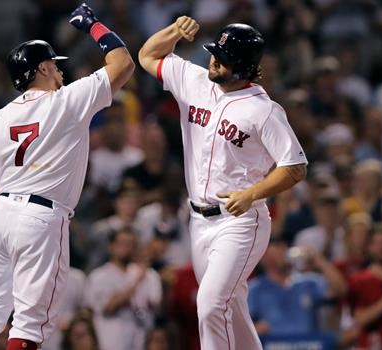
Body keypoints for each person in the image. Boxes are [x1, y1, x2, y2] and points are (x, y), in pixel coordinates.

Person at [0, 3, 134, 350]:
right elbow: (123, 63)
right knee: (29, 325)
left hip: (0, 215)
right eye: (55, 64)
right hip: (41, 217)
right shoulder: (67, 101)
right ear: (43, 67)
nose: (60, 71)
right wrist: (94, 26)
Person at [138, 17, 308, 349]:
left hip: (241, 221)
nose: (214, 59)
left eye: (224, 57)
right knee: (231, 308)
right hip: (198, 222)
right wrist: (174, 32)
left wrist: (252, 194)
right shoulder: (196, 80)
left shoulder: (264, 111)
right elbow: (147, 56)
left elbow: (296, 166)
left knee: (211, 305)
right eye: (215, 51)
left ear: (243, 67)